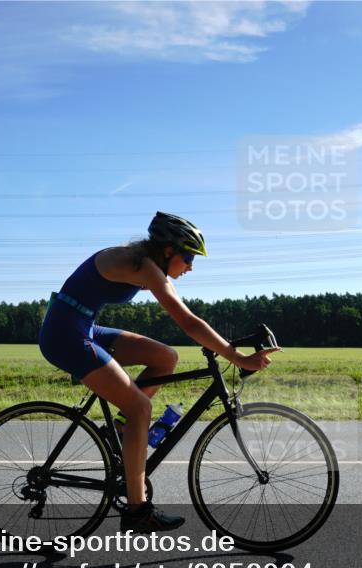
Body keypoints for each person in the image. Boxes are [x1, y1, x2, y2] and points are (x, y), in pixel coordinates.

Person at [38, 212, 279, 533]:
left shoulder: (146, 263)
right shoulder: (142, 265)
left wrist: (233, 352)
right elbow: (189, 322)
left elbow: (189, 318)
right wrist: (240, 359)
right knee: (141, 407)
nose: (191, 266)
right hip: (65, 334)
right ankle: (137, 512)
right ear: (168, 251)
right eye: (189, 257)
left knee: (165, 357)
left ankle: (121, 431)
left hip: (84, 326)